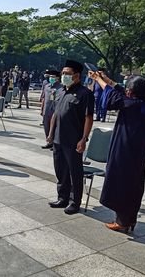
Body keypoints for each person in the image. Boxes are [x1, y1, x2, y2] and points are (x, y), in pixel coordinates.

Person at [89, 71, 145, 232]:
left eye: (129, 89)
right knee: (133, 184)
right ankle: (129, 219)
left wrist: (98, 80)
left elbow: (112, 97)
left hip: (124, 150)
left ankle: (123, 221)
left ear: (133, 93)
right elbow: (119, 92)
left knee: (121, 183)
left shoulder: (131, 104)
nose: (126, 91)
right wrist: (108, 80)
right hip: (137, 152)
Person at [46, 60, 94, 215]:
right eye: (63, 73)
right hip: (58, 139)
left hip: (73, 140)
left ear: (77, 76)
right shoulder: (61, 91)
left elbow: (88, 118)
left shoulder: (85, 94)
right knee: (60, 170)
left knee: (75, 172)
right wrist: (50, 133)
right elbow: (55, 114)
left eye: (67, 73)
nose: (64, 75)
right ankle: (63, 198)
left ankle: (74, 202)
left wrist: (83, 139)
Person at [40, 70, 62, 149]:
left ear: (57, 78)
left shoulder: (61, 87)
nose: (51, 78)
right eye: (50, 77)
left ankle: (55, 143)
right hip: (47, 109)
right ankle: (49, 142)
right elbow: (44, 98)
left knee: (55, 127)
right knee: (46, 126)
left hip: (55, 110)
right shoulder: (47, 86)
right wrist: (42, 109)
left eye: (53, 77)